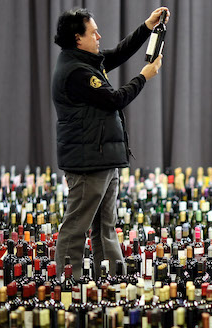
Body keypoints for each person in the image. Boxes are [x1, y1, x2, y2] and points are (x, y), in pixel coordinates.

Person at [52, 7, 169, 278]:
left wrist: (147, 27)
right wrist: (144, 76)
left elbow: (117, 53)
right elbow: (114, 99)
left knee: (105, 225)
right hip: (88, 160)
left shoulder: (84, 60)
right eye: (94, 33)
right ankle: (68, 286)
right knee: (76, 227)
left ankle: (111, 283)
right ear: (78, 38)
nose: (99, 36)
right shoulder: (76, 71)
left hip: (101, 157)